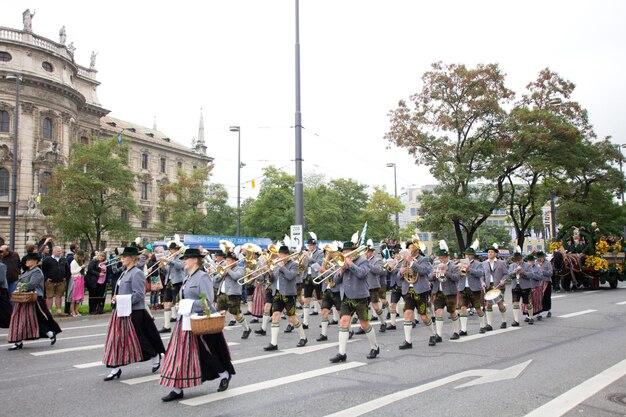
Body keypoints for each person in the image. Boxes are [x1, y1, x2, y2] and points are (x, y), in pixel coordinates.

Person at [160, 248, 236, 401]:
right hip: (185, 321)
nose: (183, 261)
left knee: (204, 353)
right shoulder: (188, 277)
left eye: (186, 259)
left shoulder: (202, 277)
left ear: (195, 260)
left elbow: (207, 302)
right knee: (179, 355)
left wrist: (187, 304)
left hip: (198, 322)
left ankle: (223, 373)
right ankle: (177, 388)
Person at [102, 246, 165, 381]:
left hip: (134, 311)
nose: (122, 259)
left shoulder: (136, 273)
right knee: (117, 340)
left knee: (139, 338)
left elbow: (139, 295)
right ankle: (115, 368)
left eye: (124, 257)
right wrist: (116, 298)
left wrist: (120, 299)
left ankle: (154, 355)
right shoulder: (125, 272)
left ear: (131, 258)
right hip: (120, 311)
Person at [330, 240, 379, 363]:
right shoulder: (341, 262)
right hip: (346, 296)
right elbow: (335, 280)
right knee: (344, 322)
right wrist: (341, 270)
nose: (345, 254)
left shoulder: (363, 261)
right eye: (344, 252)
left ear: (353, 252)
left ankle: (375, 347)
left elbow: (362, 274)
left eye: (348, 251)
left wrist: (351, 265)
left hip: (360, 296)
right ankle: (342, 353)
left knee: (364, 324)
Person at [7, 252, 62, 350]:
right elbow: (20, 283)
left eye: (29, 260)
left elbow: (31, 285)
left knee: (35, 319)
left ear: (35, 261)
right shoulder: (27, 271)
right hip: (23, 299)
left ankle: (50, 333)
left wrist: (20, 287)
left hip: (34, 299)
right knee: (21, 320)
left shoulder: (37, 271)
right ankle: (18, 341)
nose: (27, 262)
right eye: (27, 260)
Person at [264, 245, 307, 351]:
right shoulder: (277, 265)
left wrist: (282, 266)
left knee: (292, 318)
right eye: (279, 254)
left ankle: (303, 337)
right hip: (277, 293)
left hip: (289, 294)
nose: (280, 256)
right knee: (275, 316)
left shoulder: (294, 264)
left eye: (282, 254)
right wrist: (269, 273)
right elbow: (273, 280)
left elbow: (290, 276)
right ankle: (273, 343)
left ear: (287, 255)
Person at [397, 242, 435, 349]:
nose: (410, 250)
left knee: (423, 316)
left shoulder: (424, 259)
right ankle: (408, 341)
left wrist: (412, 263)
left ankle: (433, 334)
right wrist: (400, 272)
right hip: (408, 291)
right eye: (409, 248)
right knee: (407, 314)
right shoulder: (404, 260)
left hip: (420, 291)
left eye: (412, 248)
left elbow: (424, 271)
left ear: (417, 250)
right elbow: (398, 277)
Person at [214, 251, 251, 339]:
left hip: (233, 294)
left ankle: (246, 328)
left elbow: (236, 277)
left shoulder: (240, 268)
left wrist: (228, 270)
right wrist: (221, 274)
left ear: (235, 261)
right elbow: (215, 280)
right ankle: (218, 333)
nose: (227, 262)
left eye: (229, 260)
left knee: (236, 314)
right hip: (222, 294)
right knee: (220, 313)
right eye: (226, 260)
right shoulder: (224, 268)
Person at [429, 242, 461, 341]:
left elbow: (457, 278)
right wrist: (434, 274)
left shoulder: (454, 266)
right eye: (440, 258)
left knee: (452, 312)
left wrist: (446, 272)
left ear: (447, 257)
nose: (441, 259)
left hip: (450, 292)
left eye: (443, 257)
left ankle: (456, 331)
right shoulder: (436, 266)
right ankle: (439, 335)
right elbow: (429, 278)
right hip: (438, 292)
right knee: (438, 312)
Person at [457, 244, 487, 336]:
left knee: (478, 308)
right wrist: (458, 270)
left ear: (472, 256)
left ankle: (482, 326)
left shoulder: (478, 264)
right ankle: (463, 329)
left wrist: (470, 269)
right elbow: (457, 276)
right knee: (463, 308)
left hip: (474, 289)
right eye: (466, 255)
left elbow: (481, 273)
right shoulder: (460, 263)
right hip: (463, 288)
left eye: (469, 255)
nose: (467, 256)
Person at [508, 252, 541, 326]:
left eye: (519, 260)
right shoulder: (511, 266)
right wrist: (514, 272)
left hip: (526, 287)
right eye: (516, 260)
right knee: (515, 303)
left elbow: (532, 275)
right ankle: (516, 321)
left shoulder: (527, 265)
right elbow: (509, 275)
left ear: (522, 258)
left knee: (528, 303)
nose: (518, 262)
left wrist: (523, 272)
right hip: (515, 286)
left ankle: (531, 317)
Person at [159, 242, 184, 333]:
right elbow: (167, 272)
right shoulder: (171, 258)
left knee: (178, 304)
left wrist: (169, 261)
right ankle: (167, 326)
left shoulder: (181, 257)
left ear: (177, 250)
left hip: (177, 282)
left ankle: (181, 324)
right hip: (169, 282)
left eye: (172, 249)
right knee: (166, 303)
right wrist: (162, 267)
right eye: (170, 249)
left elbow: (180, 266)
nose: (170, 251)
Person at [482, 244, 509, 330]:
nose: (489, 253)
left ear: (495, 254)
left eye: (491, 252)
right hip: (488, 286)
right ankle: (489, 325)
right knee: (488, 305)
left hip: (498, 286)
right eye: (489, 252)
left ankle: (504, 321)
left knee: (500, 305)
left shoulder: (501, 263)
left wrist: (503, 280)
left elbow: (506, 274)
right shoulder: (484, 263)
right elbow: (481, 275)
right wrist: (482, 282)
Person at [301, 233, 323, 330]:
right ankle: (305, 322)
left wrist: (309, 258)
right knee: (306, 300)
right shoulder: (306, 253)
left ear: (315, 245)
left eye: (311, 245)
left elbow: (319, 265)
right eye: (309, 245)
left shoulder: (320, 253)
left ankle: (324, 319)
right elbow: (303, 266)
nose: (310, 247)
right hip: (307, 277)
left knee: (319, 299)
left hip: (316, 277)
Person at [41, 246, 71, 314]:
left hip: (61, 282)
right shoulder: (47, 259)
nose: (60, 252)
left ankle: (59, 310)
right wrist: (46, 278)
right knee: (49, 296)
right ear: (53, 251)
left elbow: (67, 270)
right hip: (50, 282)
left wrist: (66, 277)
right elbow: (43, 270)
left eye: (60, 251)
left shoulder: (64, 259)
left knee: (59, 296)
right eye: (58, 251)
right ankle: (49, 311)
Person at [68, 250, 87, 317]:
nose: (82, 258)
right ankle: (72, 311)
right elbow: (73, 272)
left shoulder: (80, 262)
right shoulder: (73, 262)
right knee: (74, 296)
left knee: (79, 297)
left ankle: (76, 310)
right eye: (81, 257)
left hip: (80, 279)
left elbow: (82, 272)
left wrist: (84, 271)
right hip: (75, 280)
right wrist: (81, 267)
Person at [536, 251, 554, 318]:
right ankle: (539, 312)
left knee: (547, 297)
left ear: (543, 257)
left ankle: (548, 310)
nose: (540, 259)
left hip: (546, 282)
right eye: (539, 257)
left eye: (541, 257)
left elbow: (550, 273)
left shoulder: (548, 263)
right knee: (539, 297)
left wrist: (542, 271)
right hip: (538, 282)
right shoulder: (536, 263)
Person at [0, 261, 12, 327]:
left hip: (2, 289)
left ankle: (7, 322)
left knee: (5, 307)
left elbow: (1, 279)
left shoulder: (2, 266)